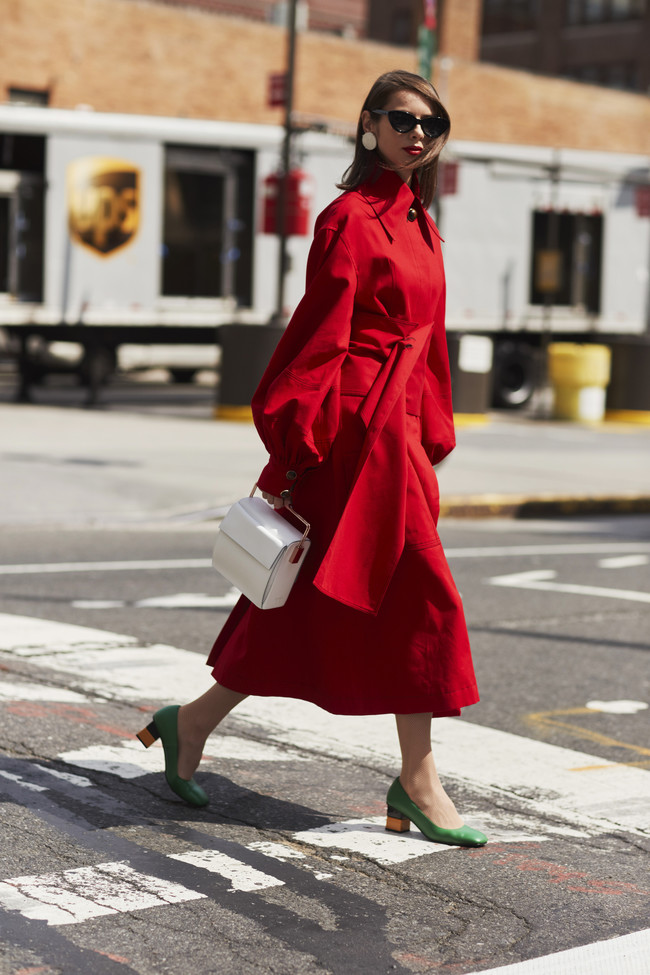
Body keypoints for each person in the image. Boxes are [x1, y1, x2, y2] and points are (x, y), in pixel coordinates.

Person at [138, 70, 487, 848]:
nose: (417, 133)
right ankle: (419, 779)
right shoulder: (349, 220)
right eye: (401, 119)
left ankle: (188, 722)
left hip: (396, 434)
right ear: (369, 125)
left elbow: (426, 344)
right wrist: (301, 440)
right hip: (350, 437)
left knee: (300, 605)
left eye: (433, 123)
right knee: (423, 592)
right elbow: (317, 337)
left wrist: (431, 432)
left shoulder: (421, 222)